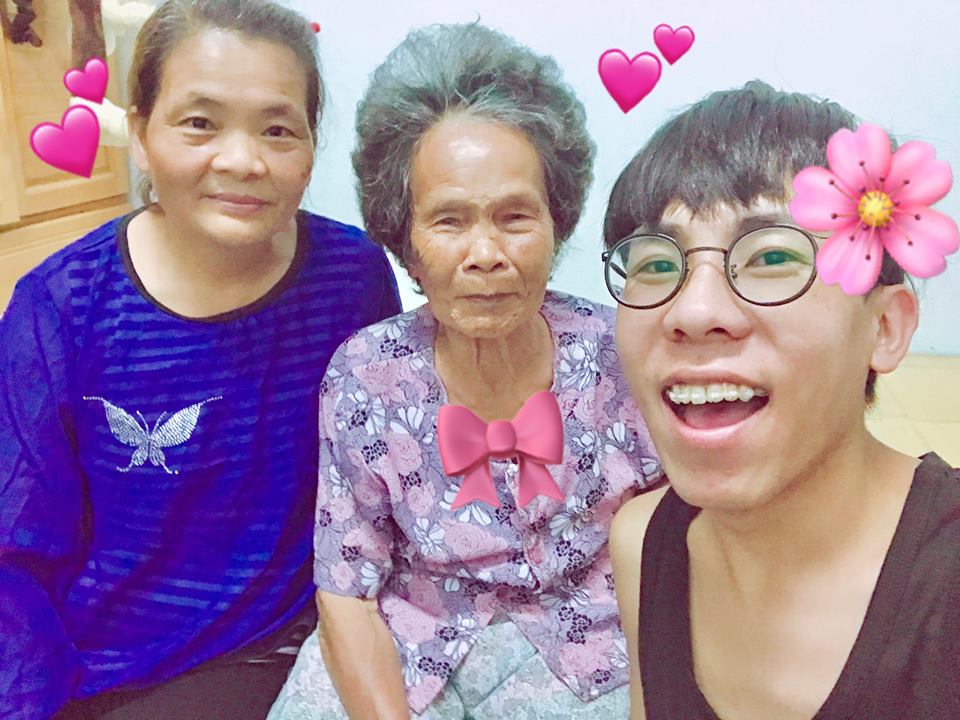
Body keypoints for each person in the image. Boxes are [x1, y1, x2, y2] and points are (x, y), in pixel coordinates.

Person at [0, 1, 401, 718]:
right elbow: (14, 556)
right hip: (120, 671)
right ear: (141, 134)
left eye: (278, 129)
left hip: (304, 639)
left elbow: (383, 473)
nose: (242, 161)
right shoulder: (62, 307)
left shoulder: (353, 279)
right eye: (199, 123)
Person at [268, 22, 661, 720]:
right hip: (412, 641)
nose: (485, 254)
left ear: (556, 224)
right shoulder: (366, 376)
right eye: (449, 221)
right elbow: (347, 588)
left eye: (515, 217)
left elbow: (679, 549)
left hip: (588, 649)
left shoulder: (621, 353)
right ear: (406, 241)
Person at [606, 81, 960, 720]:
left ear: (884, 328)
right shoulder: (641, 541)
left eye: (772, 255)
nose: (693, 310)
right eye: (656, 264)